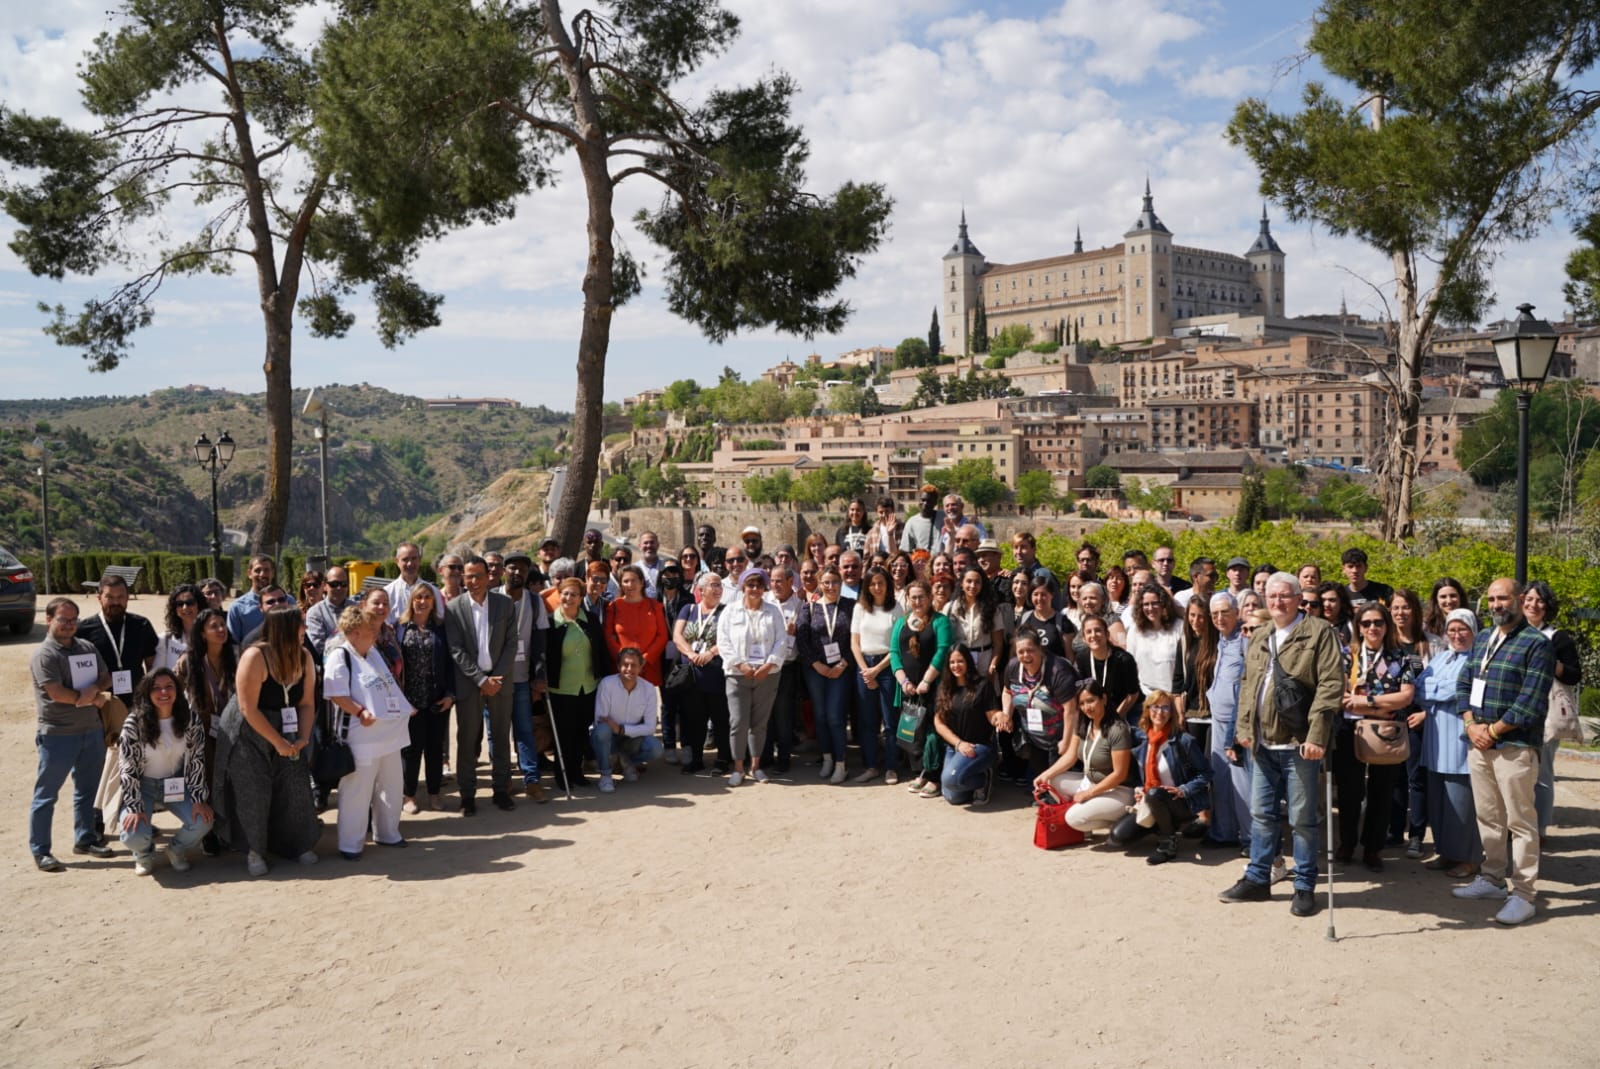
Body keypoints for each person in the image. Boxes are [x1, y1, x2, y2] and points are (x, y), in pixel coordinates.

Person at [1218, 572, 1344, 917]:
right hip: (1262, 744)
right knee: (1261, 815)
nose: (1278, 602)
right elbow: (1248, 685)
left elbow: (1331, 685)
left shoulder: (1319, 633)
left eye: (1285, 596)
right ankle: (1258, 878)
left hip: (1299, 745)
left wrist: (1317, 736)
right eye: (1272, 597)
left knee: (1302, 819)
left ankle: (1304, 885)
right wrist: (1243, 729)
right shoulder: (1260, 634)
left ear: (1298, 597)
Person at [1452, 578, 1554, 925]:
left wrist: (1492, 731)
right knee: (1489, 815)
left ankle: (1524, 894)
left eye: (1503, 598)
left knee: (1520, 821)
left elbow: (1531, 701)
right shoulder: (1482, 638)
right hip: (1479, 742)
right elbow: (1464, 683)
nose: (1497, 604)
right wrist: (1470, 725)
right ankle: (1492, 878)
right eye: (1492, 599)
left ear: (1520, 599)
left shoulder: (1536, 644)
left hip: (1514, 746)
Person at [213, 606, 321, 877]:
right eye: (300, 625)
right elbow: (249, 708)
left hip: (288, 725)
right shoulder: (255, 656)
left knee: (295, 784)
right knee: (253, 790)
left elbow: (307, 702)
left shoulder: (304, 656)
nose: (304, 631)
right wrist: (277, 742)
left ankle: (297, 844)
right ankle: (254, 851)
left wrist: (302, 738)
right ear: (284, 628)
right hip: (249, 728)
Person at [28, 598, 115, 871]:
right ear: (49, 620)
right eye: (63, 620)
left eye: (73, 619)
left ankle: (85, 839)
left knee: (88, 790)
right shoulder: (45, 655)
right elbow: (55, 692)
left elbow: (106, 677)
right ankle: (41, 851)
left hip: (91, 731)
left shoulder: (86, 647)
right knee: (46, 795)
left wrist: (90, 692)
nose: (69, 625)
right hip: (58, 735)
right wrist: (87, 696)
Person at [323, 604, 414, 860]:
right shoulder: (339, 655)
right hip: (360, 736)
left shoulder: (372, 652)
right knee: (357, 792)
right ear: (354, 633)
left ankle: (388, 833)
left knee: (392, 785)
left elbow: (388, 685)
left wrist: (405, 708)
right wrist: (360, 711)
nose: (374, 634)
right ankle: (351, 844)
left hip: (388, 734)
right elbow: (336, 694)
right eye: (368, 630)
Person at [1331, 602, 1417, 872]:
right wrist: (1381, 704)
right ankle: (1347, 843)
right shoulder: (1347, 656)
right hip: (1350, 731)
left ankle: (1373, 848)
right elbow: (1342, 698)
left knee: (1382, 793)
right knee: (1349, 792)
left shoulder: (1401, 657)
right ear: (1358, 626)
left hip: (1386, 732)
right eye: (1366, 623)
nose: (1372, 628)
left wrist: (1365, 701)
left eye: (1378, 622)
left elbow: (1405, 696)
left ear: (1386, 625)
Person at [78, 572, 159, 840]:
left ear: (127, 598)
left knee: (137, 764)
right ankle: (97, 822)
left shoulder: (141, 625)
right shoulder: (84, 630)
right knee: (102, 766)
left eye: (121, 597)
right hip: (102, 706)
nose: (115, 602)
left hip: (137, 706)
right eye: (110, 597)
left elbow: (151, 666)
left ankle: (136, 815)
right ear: (99, 597)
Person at [116, 669, 214, 875]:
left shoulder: (190, 719)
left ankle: (176, 850)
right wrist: (134, 806)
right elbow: (127, 768)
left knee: (203, 820)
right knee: (133, 832)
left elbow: (197, 760)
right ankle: (143, 854)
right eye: (156, 688)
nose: (163, 692)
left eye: (169, 686)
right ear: (147, 693)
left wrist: (198, 798)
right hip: (144, 785)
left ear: (177, 690)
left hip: (176, 783)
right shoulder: (134, 724)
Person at [444, 557, 518, 813]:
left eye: (478, 576)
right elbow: (456, 649)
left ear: (489, 577)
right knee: (467, 739)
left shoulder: (505, 605)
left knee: (500, 737)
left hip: (499, 682)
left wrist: (495, 677)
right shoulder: (453, 608)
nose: (473, 581)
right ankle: (467, 795)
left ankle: (501, 790)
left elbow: (511, 644)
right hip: (470, 683)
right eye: (468, 576)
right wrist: (480, 679)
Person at [1108, 691, 1212, 864]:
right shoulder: (1141, 739)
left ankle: (1167, 842)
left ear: (1172, 712)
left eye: (1166, 707)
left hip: (1181, 802)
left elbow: (1207, 773)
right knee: (1117, 838)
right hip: (1151, 800)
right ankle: (1160, 826)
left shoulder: (1183, 741)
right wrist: (1139, 789)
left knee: (1156, 794)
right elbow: (1139, 775)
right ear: (1147, 710)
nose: (1160, 712)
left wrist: (1184, 789)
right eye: (1155, 707)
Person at [1417, 608, 1482, 879]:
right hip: (1434, 742)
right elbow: (1418, 689)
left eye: (1462, 629)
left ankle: (1469, 859)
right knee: (1439, 804)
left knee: (1462, 805)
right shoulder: (1441, 657)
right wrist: (1444, 691)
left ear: (1473, 631)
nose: (1457, 635)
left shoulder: (1479, 660)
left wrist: (1438, 690)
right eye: (1452, 630)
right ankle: (1446, 853)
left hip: (1460, 742)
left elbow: (1466, 693)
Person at [717, 568, 790, 786]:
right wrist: (740, 664)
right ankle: (738, 768)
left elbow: (782, 641)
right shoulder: (730, 612)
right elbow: (723, 641)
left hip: (767, 675)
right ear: (742, 587)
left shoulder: (773, 611)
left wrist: (768, 665)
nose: (755, 589)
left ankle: (756, 767)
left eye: (759, 585)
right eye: (750, 585)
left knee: (759, 723)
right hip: (737, 674)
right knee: (738, 722)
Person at [1522, 580, 1582, 844]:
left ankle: (1540, 829)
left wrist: (1551, 662)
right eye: (1529, 599)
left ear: (1547, 607)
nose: (1532, 604)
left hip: (1545, 715)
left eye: (1539, 600)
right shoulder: (1513, 633)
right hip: (1515, 712)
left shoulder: (1558, 638)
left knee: (1542, 774)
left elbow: (1573, 675)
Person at [1032, 679, 1133, 835]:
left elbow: (1119, 775)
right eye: (1082, 703)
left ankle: (1119, 821)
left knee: (1073, 818)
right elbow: (1070, 757)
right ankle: (1090, 814)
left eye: (1091, 701)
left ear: (1104, 699)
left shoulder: (1118, 729)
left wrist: (1088, 794)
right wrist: (1044, 775)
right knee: (1052, 781)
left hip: (1117, 790)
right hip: (1090, 782)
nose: (1087, 707)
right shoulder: (1084, 723)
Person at [175, 607, 235, 855]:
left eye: (223, 625)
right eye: (214, 626)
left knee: (231, 780)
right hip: (201, 732)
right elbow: (174, 693)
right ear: (201, 633)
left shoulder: (236, 656)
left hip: (232, 729)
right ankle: (209, 835)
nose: (221, 630)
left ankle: (230, 831)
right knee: (206, 781)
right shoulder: (188, 662)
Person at [546, 577, 613, 790]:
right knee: (563, 735)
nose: (569, 598)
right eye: (565, 593)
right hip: (561, 688)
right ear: (559, 595)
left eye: (574, 594)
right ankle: (562, 776)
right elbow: (541, 656)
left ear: (581, 597)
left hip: (588, 686)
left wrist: (606, 677)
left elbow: (601, 650)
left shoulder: (591, 620)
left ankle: (577, 773)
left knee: (580, 733)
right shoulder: (549, 623)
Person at [889, 580, 953, 796]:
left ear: (929, 597)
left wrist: (926, 680)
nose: (917, 601)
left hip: (933, 686)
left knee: (933, 733)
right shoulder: (901, 622)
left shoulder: (940, 621)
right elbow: (895, 653)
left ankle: (934, 776)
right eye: (913, 597)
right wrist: (904, 681)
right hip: (908, 689)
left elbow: (942, 651)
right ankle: (921, 773)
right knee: (912, 731)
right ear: (908, 599)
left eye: (921, 597)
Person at [397, 584, 456, 813]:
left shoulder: (441, 628)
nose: (422, 601)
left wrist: (451, 694)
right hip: (409, 702)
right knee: (411, 751)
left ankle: (434, 794)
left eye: (427, 598)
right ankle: (409, 796)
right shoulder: (400, 628)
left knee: (434, 750)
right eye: (418, 597)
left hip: (436, 700)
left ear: (434, 602)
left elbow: (451, 663)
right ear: (411, 601)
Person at [496, 551, 550, 801]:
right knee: (496, 732)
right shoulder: (491, 597)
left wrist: (538, 676)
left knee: (525, 730)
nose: (517, 572)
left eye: (522, 569)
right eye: (512, 568)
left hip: (520, 677)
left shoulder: (535, 601)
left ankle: (531, 780)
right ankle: (502, 780)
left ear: (528, 574)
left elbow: (540, 642)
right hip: (495, 680)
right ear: (504, 570)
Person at [797, 567, 854, 785]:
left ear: (841, 583)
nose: (830, 587)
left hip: (842, 669)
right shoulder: (809, 607)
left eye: (835, 582)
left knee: (834, 716)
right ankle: (828, 758)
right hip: (816, 670)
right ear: (820, 584)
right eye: (826, 582)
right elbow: (802, 639)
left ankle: (841, 763)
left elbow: (856, 637)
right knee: (820, 716)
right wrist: (816, 664)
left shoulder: (850, 606)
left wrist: (844, 662)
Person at [998, 630, 1080, 781]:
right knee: (1039, 775)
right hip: (1032, 734)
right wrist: (1006, 714)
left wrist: (1066, 741)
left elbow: (1071, 710)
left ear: (1040, 649)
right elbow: (1007, 691)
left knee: (1057, 780)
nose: (1026, 655)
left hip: (1059, 734)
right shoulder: (1013, 667)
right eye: (1021, 652)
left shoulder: (1058, 671)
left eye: (1030, 650)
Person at [1388, 587, 1434, 854]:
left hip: (1418, 717)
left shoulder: (1431, 643)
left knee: (1416, 777)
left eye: (1405, 607)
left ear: (1415, 610)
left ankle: (1416, 834)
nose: (1400, 612)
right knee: (1393, 778)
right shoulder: (1386, 641)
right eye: (1395, 608)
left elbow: (1440, 683)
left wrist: (1426, 714)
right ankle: (1395, 832)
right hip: (1390, 717)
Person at [1206, 593, 1252, 849]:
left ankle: (1250, 838)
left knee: (1241, 784)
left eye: (1225, 612)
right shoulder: (1221, 640)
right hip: (1217, 720)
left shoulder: (1244, 639)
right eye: (1215, 614)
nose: (1220, 618)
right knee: (1220, 779)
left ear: (1236, 611)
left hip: (1236, 724)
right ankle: (1224, 833)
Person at [850, 565, 902, 784]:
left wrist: (877, 670)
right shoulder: (860, 608)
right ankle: (871, 766)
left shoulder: (896, 607)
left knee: (891, 721)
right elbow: (854, 642)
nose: (877, 587)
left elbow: (897, 644)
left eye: (881, 582)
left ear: (887, 584)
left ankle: (891, 767)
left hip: (887, 666)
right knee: (867, 721)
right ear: (867, 586)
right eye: (872, 583)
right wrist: (865, 671)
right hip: (865, 666)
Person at [674, 572, 729, 775]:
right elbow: (677, 635)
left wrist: (710, 653)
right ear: (701, 590)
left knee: (720, 718)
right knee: (694, 719)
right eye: (713, 585)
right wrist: (690, 653)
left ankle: (723, 759)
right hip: (692, 675)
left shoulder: (726, 612)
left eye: (720, 586)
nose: (717, 589)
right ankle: (696, 759)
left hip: (716, 674)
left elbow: (729, 637)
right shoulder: (688, 609)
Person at [591, 647, 665, 792]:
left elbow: (650, 727)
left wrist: (621, 729)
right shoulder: (607, 684)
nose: (629, 669)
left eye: (634, 665)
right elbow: (601, 720)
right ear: (618, 666)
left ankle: (627, 762)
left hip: (630, 739)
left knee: (656, 748)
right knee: (602, 731)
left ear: (641, 667)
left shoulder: (648, 689)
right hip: (608, 739)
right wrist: (616, 730)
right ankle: (606, 775)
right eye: (625, 665)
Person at [933, 645, 1000, 805]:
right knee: (952, 796)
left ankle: (984, 779)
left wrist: (1001, 716)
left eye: (960, 661)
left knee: (950, 780)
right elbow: (939, 722)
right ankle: (973, 779)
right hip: (956, 746)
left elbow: (992, 716)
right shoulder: (945, 688)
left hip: (980, 746)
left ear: (968, 662)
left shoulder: (982, 685)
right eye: (952, 662)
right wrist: (959, 744)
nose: (956, 666)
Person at [762, 564, 805, 774]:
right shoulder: (765, 602)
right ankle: (766, 754)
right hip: (766, 666)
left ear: (790, 582)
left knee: (784, 714)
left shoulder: (800, 604)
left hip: (787, 667)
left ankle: (784, 756)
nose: (775, 585)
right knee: (766, 713)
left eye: (780, 581)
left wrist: (794, 634)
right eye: (772, 581)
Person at [604, 564, 669, 686]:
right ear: (621, 584)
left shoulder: (655, 606)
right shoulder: (614, 607)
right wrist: (626, 661)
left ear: (642, 582)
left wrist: (644, 659)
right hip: (622, 670)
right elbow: (608, 636)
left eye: (633, 580)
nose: (630, 585)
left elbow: (662, 636)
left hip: (649, 669)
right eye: (626, 581)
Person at [1073, 616, 1140, 724]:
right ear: (1084, 638)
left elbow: (1133, 695)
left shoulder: (1124, 660)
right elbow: (1083, 690)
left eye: (1098, 630)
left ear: (1107, 634)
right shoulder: (1082, 658)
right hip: (1098, 709)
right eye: (1089, 632)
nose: (1093, 635)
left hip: (1127, 708)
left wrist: (1114, 719)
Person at [1125, 583, 1183, 698]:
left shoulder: (1179, 627)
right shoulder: (1135, 630)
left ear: (1163, 604)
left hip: (1174, 696)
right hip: (1146, 696)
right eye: (1146, 604)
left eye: (1155, 603)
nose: (1150, 608)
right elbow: (1130, 666)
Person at [946, 567, 1003, 683]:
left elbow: (998, 644)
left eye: (977, 582)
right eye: (969, 581)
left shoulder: (991, 609)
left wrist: (992, 666)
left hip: (983, 661)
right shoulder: (950, 608)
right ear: (961, 583)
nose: (973, 585)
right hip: (958, 663)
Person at [227, 555, 292, 645]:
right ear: (249, 573)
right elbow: (233, 643)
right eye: (257, 570)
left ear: (272, 573)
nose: (262, 574)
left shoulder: (288, 601)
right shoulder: (237, 607)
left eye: (266, 570)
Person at [1175, 596, 1218, 720]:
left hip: (1215, 712)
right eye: (1192, 615)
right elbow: (1177, 682)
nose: (1195, 620)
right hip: (1191, 712)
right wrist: (1180, 714)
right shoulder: (1184, 643)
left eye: (1201, 616)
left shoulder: (1219, 642)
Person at [385, 542, 443, 628]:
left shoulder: (433, 591)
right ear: (397, 562)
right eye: (405, 559)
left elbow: (440, 620)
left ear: (419, 560)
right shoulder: (387, 592)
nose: (410, 563)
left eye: (414, 559)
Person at [1019, 572, 1075, 658]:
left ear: (1051, 595)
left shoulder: (1063, 622)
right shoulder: (1024, 619)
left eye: (1043, 594)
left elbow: (1070, 657)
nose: (1039, 598)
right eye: (1035, 594)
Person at [305, 565, 353, 656]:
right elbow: (319, 648)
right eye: (334, 584)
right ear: (324, 586)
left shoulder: (356, 608)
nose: (339, 588)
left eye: (343, 584)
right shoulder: (315, 613)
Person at [154, 584, 201, 671]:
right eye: (179, 604)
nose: (185, 607)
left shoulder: (210, 637)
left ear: (199, 605)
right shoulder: (165, 640)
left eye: (190, 603)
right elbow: (157, 673)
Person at [1423, 577, 1469, 650]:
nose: (1449, 601)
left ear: (1460, 597)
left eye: (1453, 596)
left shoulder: (1474, 623)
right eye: (1443, 597)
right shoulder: (1426, 626)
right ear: (1436, 600)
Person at [899, 484, 941, 553]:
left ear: (935, 502)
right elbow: (905, 549)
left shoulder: (943, 518)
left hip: (941, 562)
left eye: (929, 501)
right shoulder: (912, 522)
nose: (925, 503)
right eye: (923, 500)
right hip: (923, 562)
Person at [1318, 581, 1357, 649]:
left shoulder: (1353, 624)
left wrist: (1345, 645)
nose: (1327, 604)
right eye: (1323, 600)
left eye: (1332, 600)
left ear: (1341, 602)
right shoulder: (1313, 624)